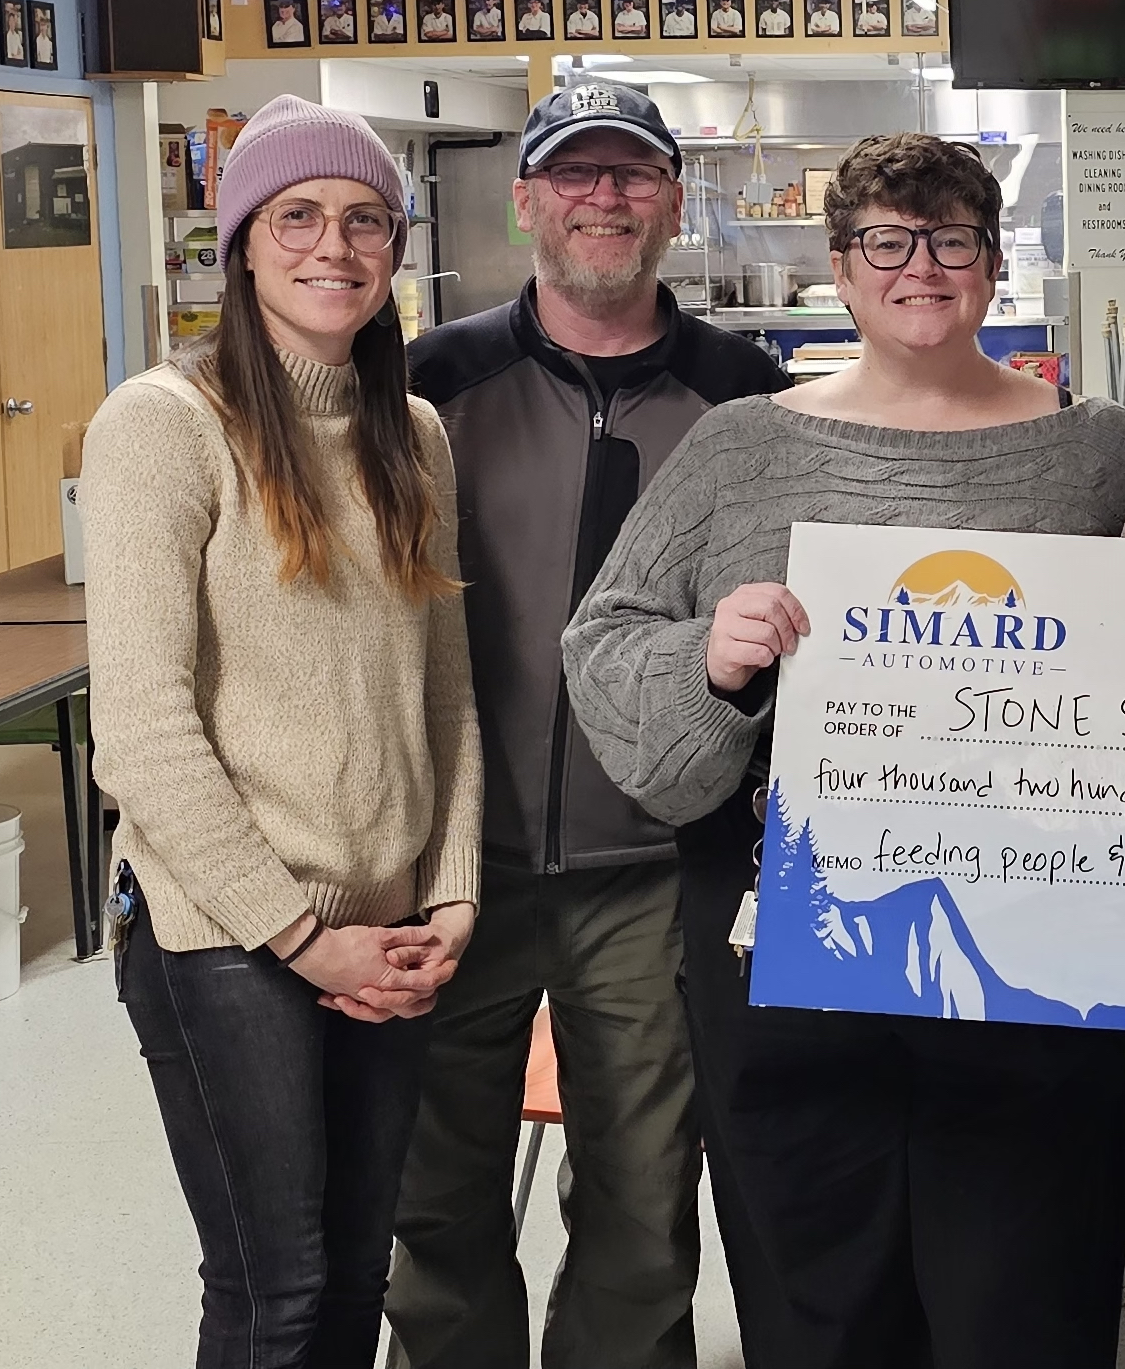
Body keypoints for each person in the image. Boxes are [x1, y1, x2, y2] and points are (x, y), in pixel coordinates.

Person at [563, 132, 1125, 1369]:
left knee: (1026, 1297)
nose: (921, 267)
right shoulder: (742, 447)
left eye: (952, 239)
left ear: (995, 264)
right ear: (841, 267)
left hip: (1029, 958)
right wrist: (711, 659)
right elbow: (605, 642)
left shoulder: (1096, 453)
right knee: (821, 1297)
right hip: (790, 955)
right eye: (887, 241)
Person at [385, 81, 786, 1369]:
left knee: (639, 1200)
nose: (603, 197)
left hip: (655, 867)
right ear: (528, 200)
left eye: (631, 175)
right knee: (431, 1198)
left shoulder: (751, 402)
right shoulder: (427, 384)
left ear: (674, 199)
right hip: (448, 859)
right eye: (576, 174)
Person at [81, 94, 482, 1365]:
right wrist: (306, 936)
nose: (334, 246)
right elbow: (141, 731)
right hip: (228, 936)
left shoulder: (409, 432)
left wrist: (453, 894)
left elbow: (447, 691)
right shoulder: (163, 425)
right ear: (241, 240)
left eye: (367, 219)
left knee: (361, 1271)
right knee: (278, 1288)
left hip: (392, 922)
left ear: (397, 250)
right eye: (296, 215)